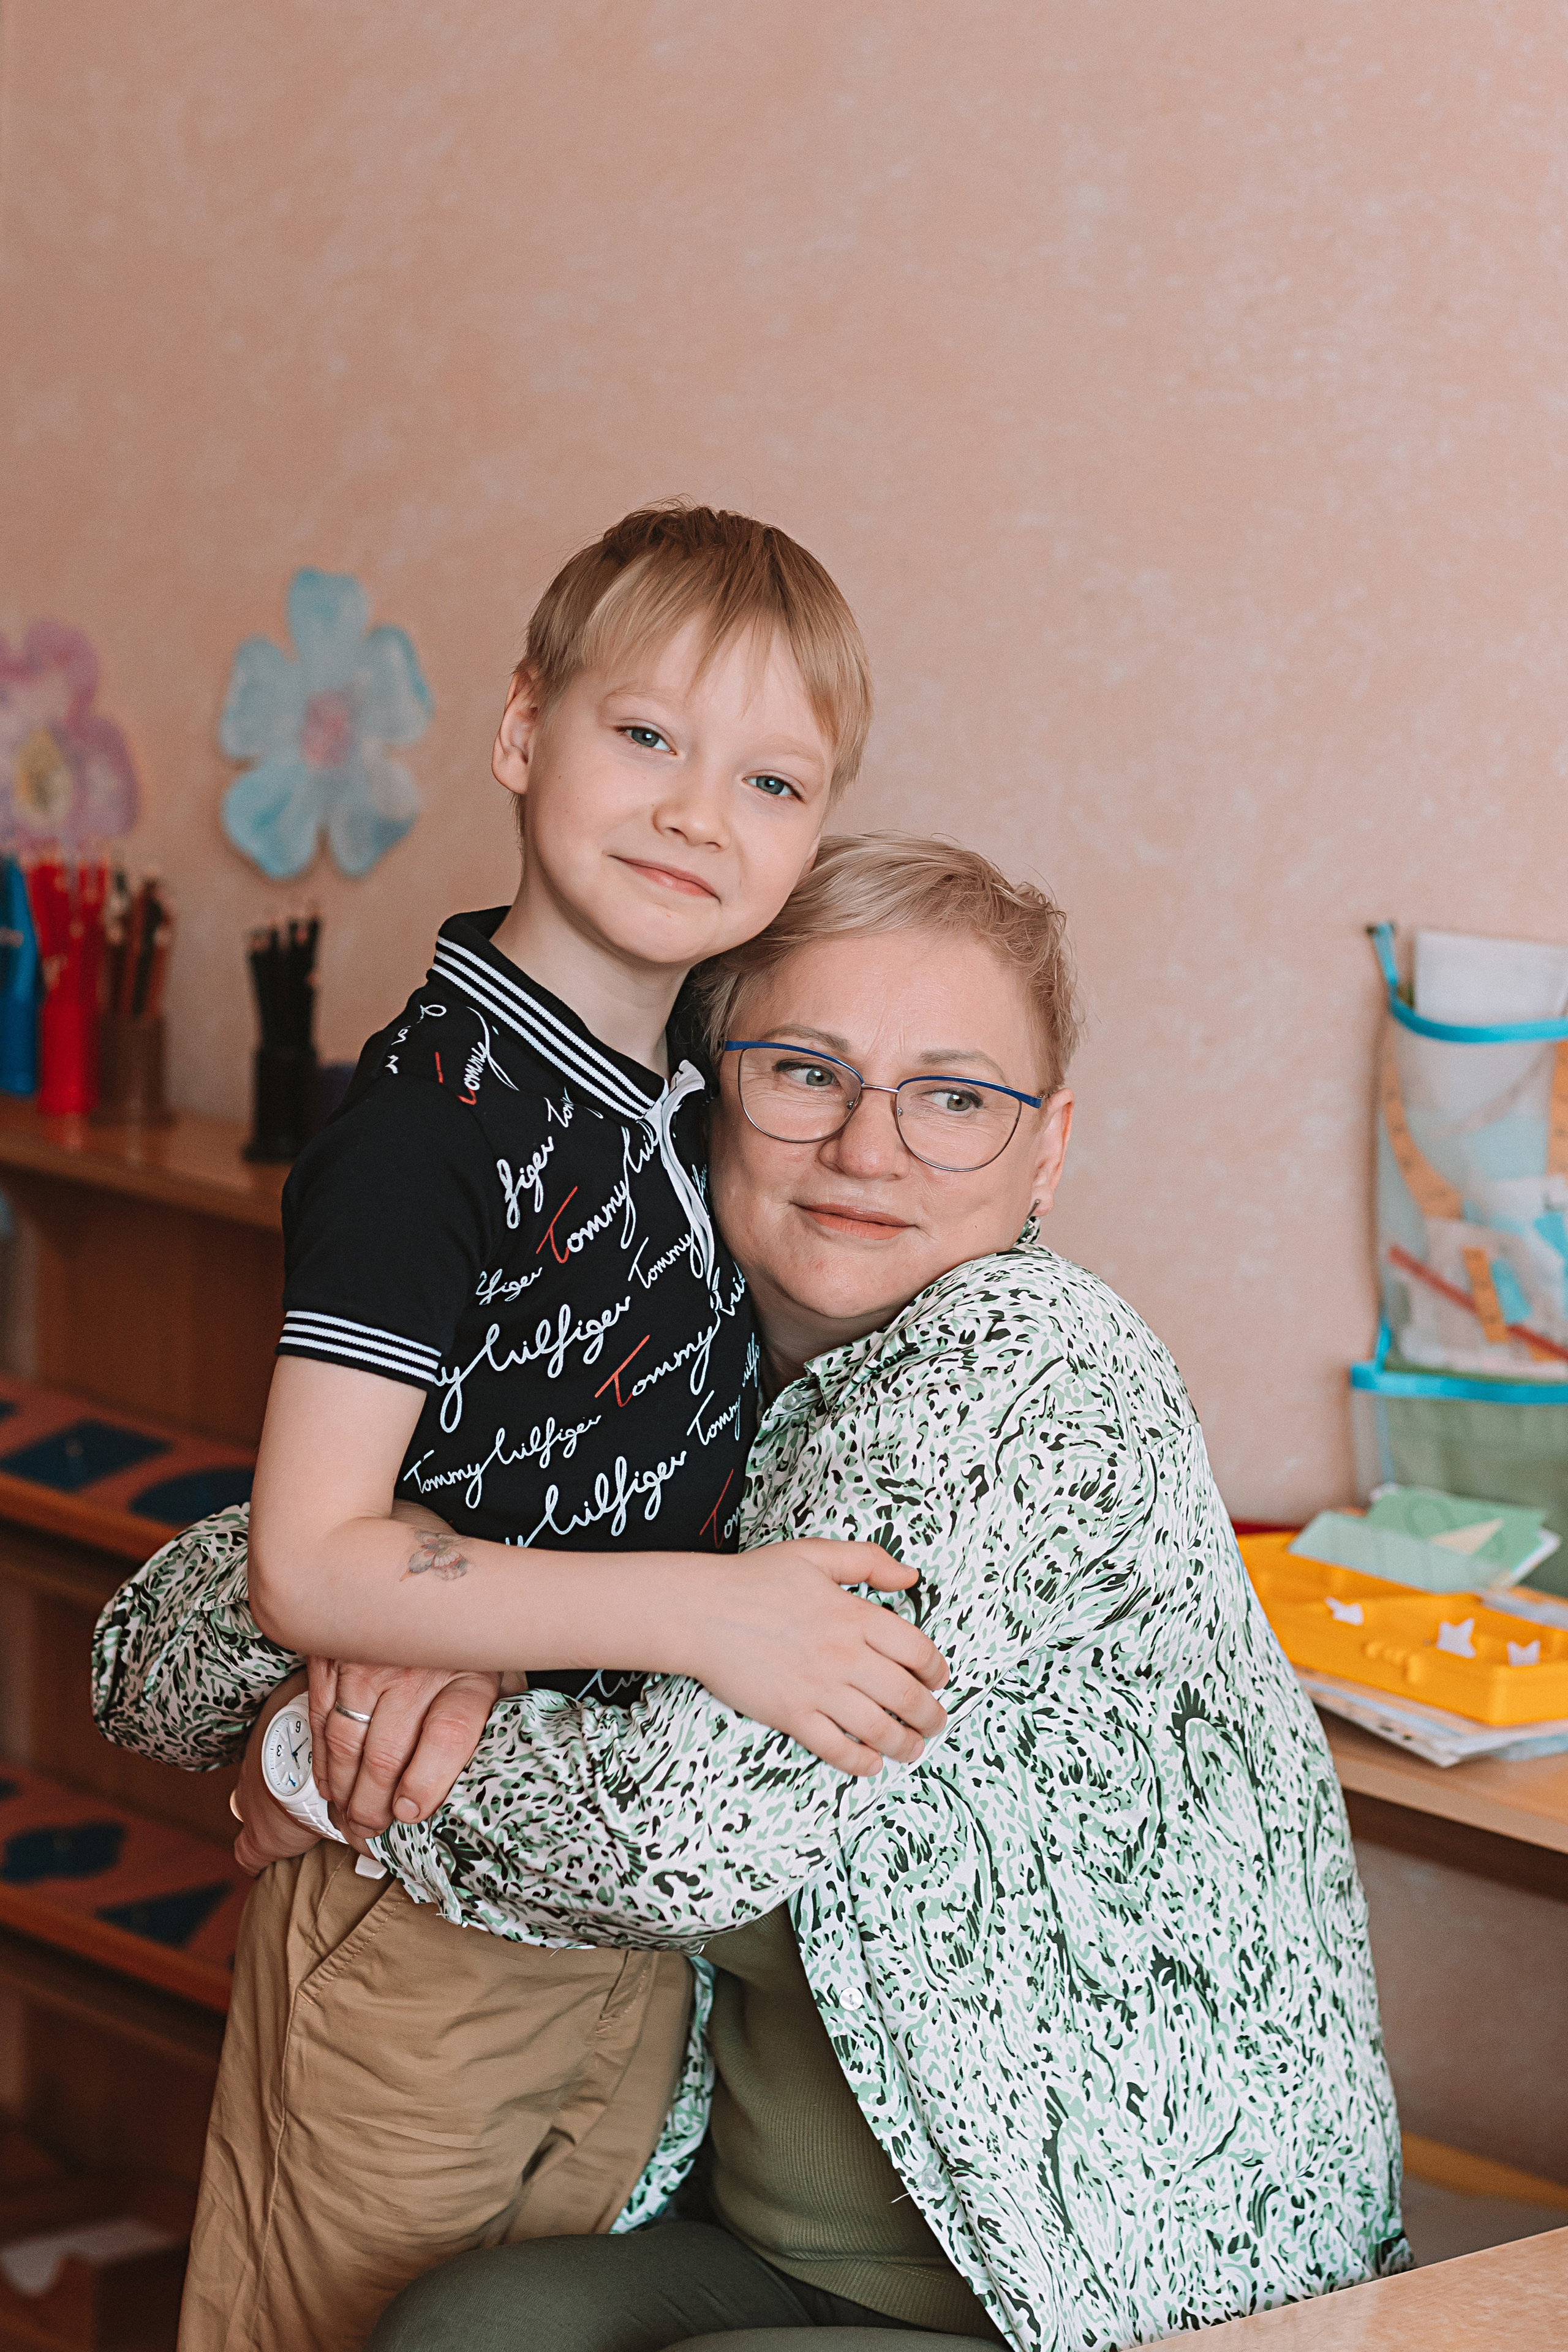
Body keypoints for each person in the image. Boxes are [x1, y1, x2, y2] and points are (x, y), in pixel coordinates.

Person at [97, 837, 1409, 2352]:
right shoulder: (658, 1341)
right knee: (459, 2331)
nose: (870, 1147)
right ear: (702, 1088)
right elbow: (143, 1656)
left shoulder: (1028, 1373)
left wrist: (314, 1756)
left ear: (1046, 1152)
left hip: (1105, 2291)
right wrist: (397, 1576)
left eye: (956, 1098)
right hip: (774, 2246)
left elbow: (679, 1838)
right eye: (804, 1071)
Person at [92, 519, 951, 2352]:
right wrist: (705, 1616)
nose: (697, 813)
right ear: (520, 736)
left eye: (771, 777)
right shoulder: (430, 1126)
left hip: (617, 1930)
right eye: (645, 738)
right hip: (422, 1915)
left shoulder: (690, 1100)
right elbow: (309, 1557)